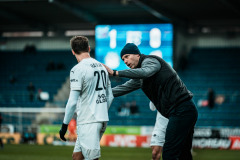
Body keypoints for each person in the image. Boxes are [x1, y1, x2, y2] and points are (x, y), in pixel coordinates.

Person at [103, 43, 198, 160]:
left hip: (181, 109)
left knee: (169, 153)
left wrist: (115, 72)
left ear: (137, 54)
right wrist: (97, 95)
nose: (125, 61)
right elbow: (121, 89)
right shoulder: (140, 78)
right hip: (183, 111)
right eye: (123, 59)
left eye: (127, 56)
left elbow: (145, 72)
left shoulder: (151, 61)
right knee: (183, 155)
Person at [59, 36, 113, 160]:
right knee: (77, 157)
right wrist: (101, 111)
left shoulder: (77, 69)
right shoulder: (102, 67)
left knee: (92, 158)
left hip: (88, 121)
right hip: (101, 118)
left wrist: (64, 125)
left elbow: (72, 102)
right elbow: (110, 96)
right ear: (88, 48)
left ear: (73, 51)